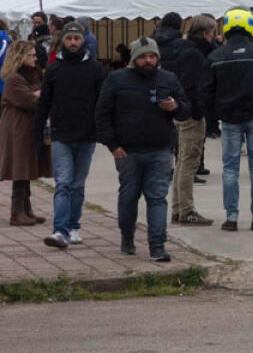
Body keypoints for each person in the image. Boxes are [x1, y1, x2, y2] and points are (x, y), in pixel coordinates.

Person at [94, 36, 189, 261]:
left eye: (152, 56)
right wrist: (112, 144)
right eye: (143, 56)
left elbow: (186, 111)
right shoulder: (116, 79)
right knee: (129, 197)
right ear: (134, 58)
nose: (148, 60)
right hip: (127, 151)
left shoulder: (168, 78)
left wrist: (175, 106)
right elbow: (102, 113)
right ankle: (127, 236)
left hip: (159, 150)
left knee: (157, 198)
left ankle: (157, 245)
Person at [200, 9, 253, 232]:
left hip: (229, 118)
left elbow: (206, 90)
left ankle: (231, 217)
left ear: (226, 26)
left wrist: (212, 116)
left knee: (230, 168)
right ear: (249, 25)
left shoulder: (217, 56)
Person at [33, 22, 106, 245]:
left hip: (87, 135)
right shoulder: (54, 69)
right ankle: (60, 231)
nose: (73, 43)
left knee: (77, 185)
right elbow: (44, 102)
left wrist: (104, 130)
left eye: (77, 39)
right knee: (63, 183)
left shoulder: (95, 69)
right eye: (69, 39)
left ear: (83, 40)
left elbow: (103, 102)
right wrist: (37, 132)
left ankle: (74, 226)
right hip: (61, 134)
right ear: (63, 40)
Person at [169, 15, 217, 223]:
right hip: (190, 114)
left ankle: (179, 208)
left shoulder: (184, 50)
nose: (214, 36)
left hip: (184, 111)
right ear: (205, 33)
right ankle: (186, 210)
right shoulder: (194, 55)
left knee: (182, 162)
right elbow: (193, 87)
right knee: (189, 162)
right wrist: (198, 111)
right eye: (212, 32)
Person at [1, 41, 51, 225]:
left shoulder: (31, 76)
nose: (35, 58)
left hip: (26, 127)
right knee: (20, 169)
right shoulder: (14, 79)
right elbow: (30, 101)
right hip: (17, 129)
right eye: (31, 55)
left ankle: (26, 209)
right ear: (20, 57)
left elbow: (41, 95)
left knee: (27, 168)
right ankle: (16, 212)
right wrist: (38, 94)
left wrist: (39, 94)